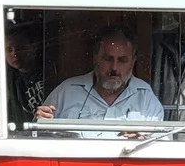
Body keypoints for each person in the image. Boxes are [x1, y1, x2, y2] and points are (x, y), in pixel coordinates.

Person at [36, 25, 164, 134]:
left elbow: (162, 151)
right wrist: (40, 125)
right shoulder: (67, 91)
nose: (114, 67)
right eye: (108, 59)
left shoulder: (146, 98)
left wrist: (142, 141)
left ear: (132, 62)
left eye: (122, 60)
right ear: (95, 57)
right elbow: (36, 137)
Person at [5, 22, 46, 128]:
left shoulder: (49, 69)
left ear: (33, 46)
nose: (14, 54)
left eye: (19, 48)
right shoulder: (8, 81)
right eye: (9, 49)